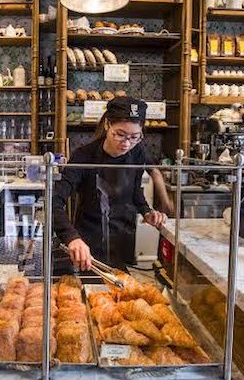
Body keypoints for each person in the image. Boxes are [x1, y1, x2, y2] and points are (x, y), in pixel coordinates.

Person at [53, 96, 167, 272]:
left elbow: (135, 192)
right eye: (120, 134)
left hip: (123, 243)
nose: (127, 143)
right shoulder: (84, 156)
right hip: (87, 247)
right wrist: (70, 237)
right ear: (107, 125)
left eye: (134, 137)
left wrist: (147, 211)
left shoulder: (137, 153)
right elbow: (54, 201)